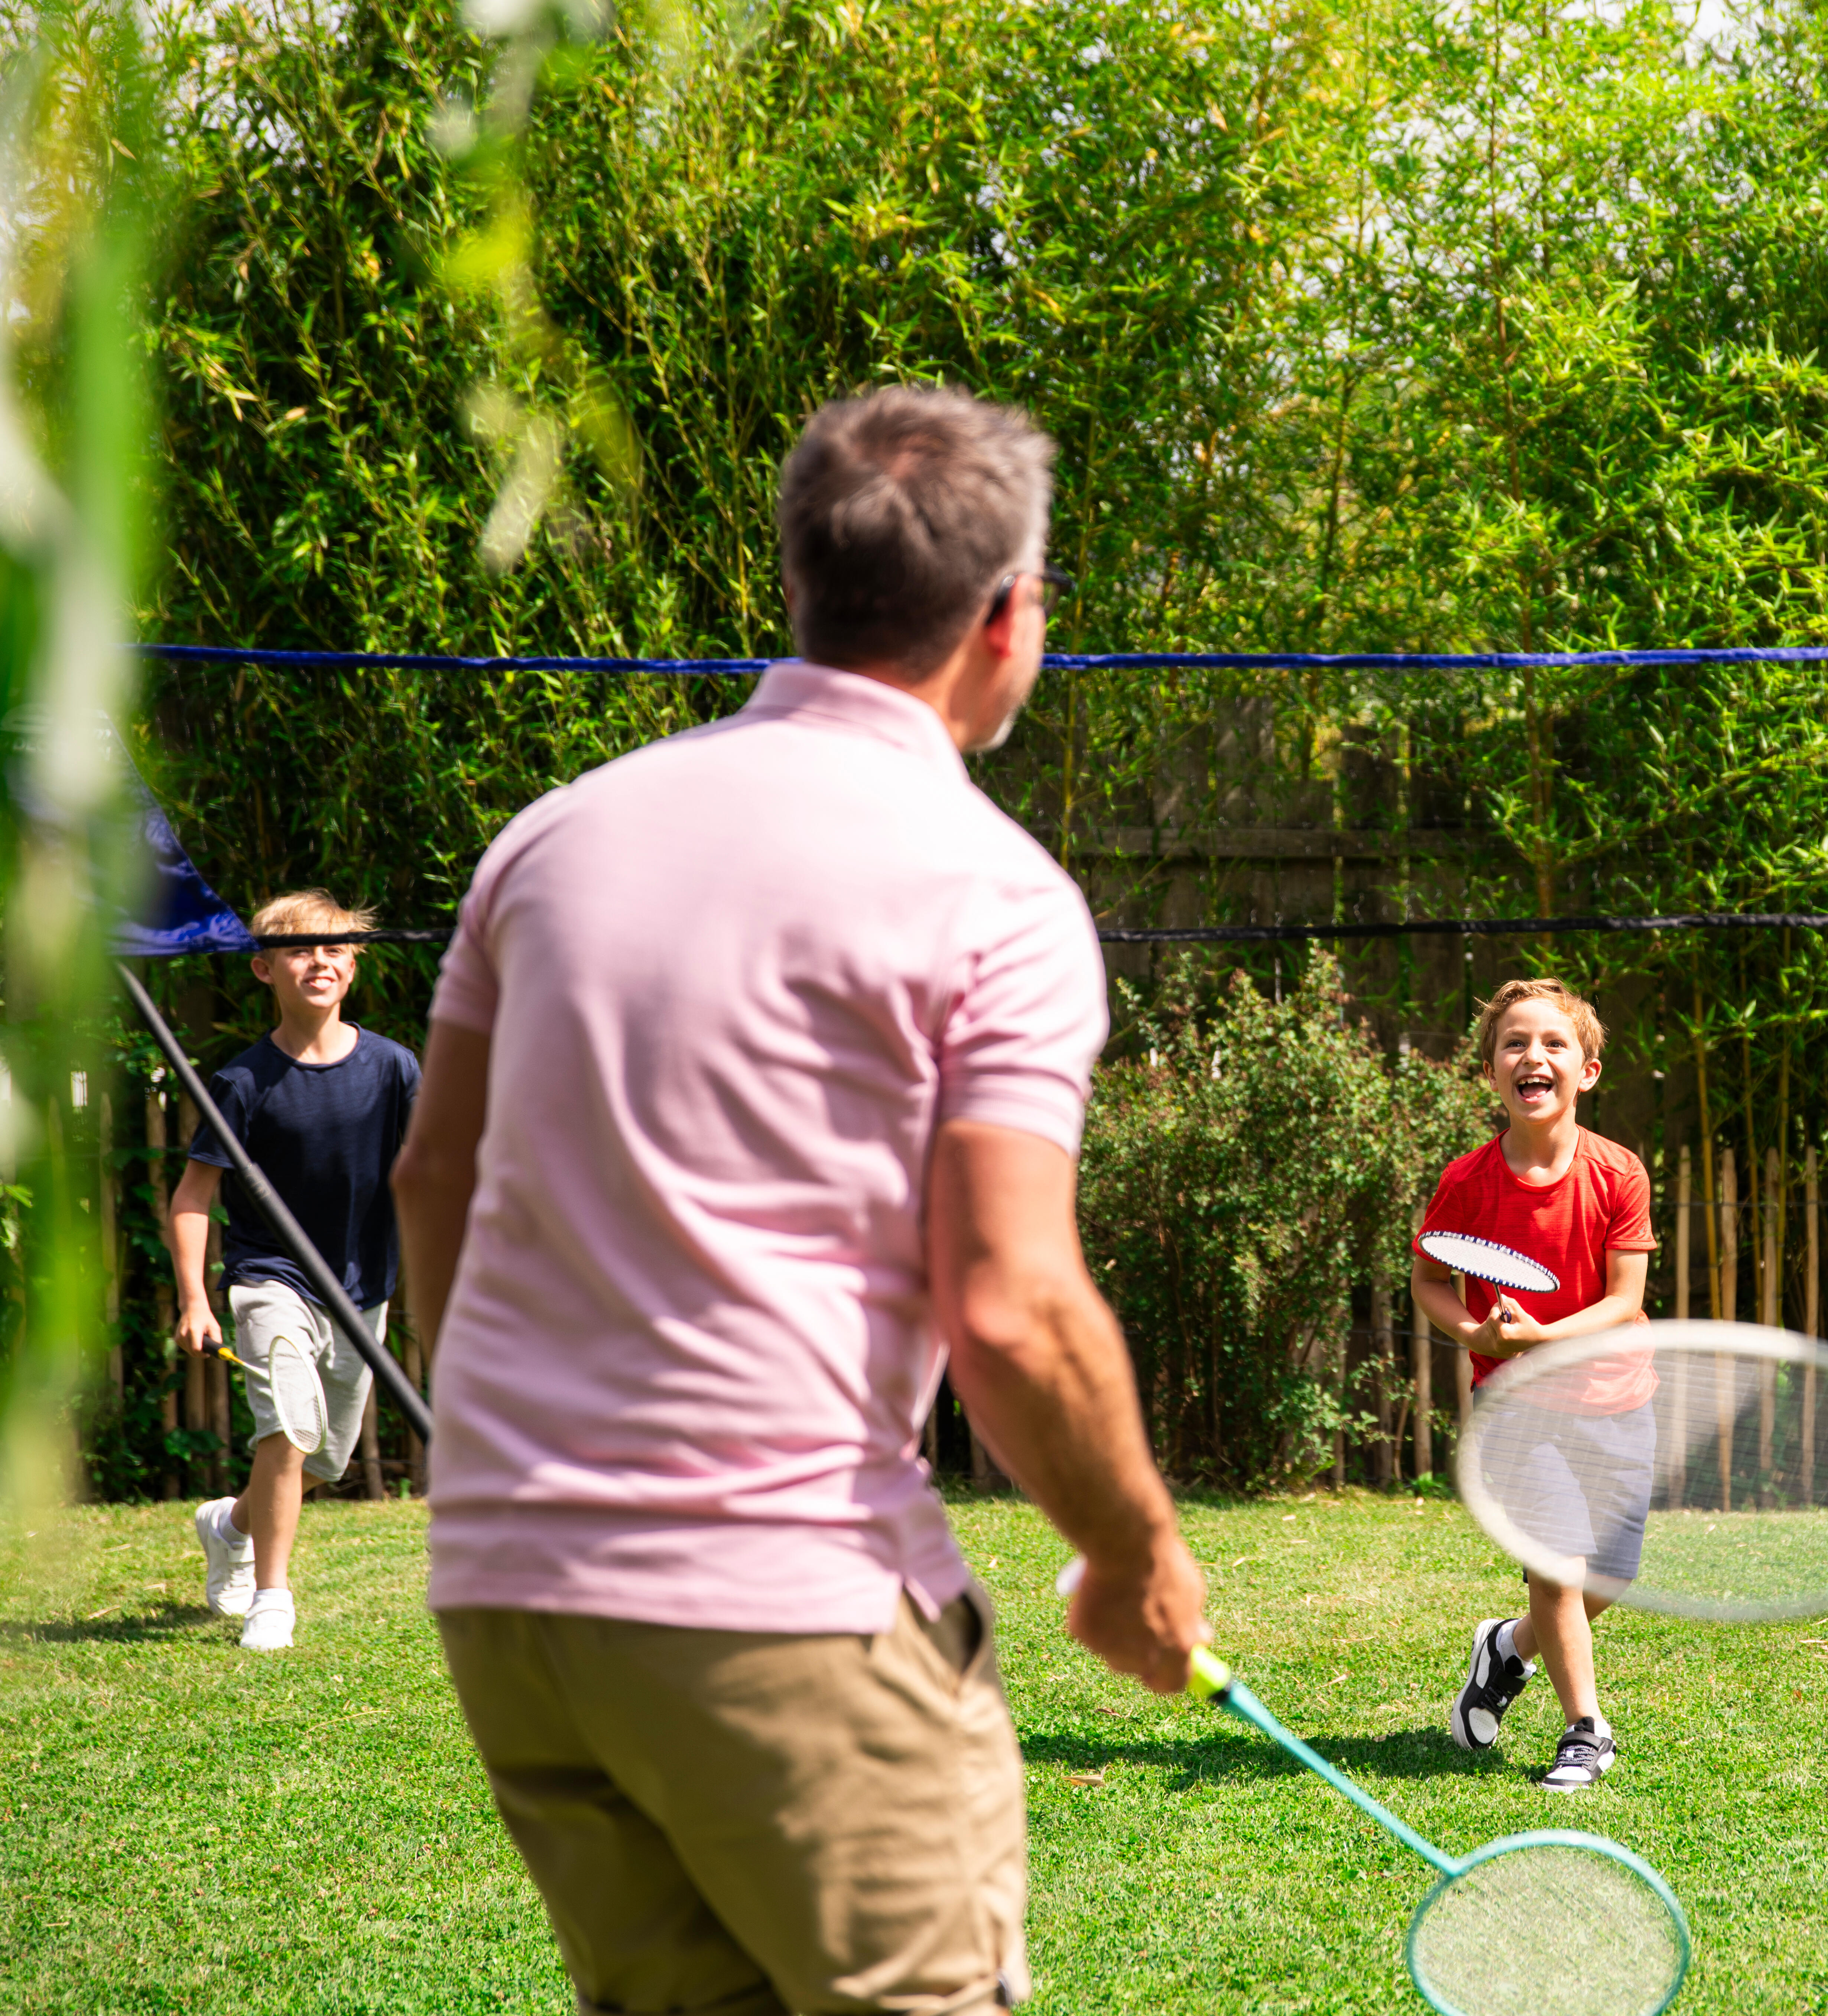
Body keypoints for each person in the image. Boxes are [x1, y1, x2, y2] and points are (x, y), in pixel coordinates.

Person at [392, 385, 1210, 2016]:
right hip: (785, 1606)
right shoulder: (994, 895)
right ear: (1008, 616)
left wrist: (511, 1465)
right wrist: (1134, 1554)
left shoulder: (551, 840)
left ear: (802, 580)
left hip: (511, 1598)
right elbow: (1013, 1305)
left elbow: (437, 1181)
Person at [1413, 977, 1655, 1792]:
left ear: (1585, 1070)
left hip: (1616, 1399)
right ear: (1492, 1074)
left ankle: (1507, 1647)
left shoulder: (1618, 1175)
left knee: (1605, 1580)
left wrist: (1545, 1336)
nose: (1533, 1056)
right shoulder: (1466, 1183)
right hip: (1517, 1407)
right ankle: (1585, 1729)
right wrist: (1474, 1333)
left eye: (1553, 1043)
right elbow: (1428, 1280)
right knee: (1556, 1564)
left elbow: (1625, 1299)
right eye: (1515, 1043)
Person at [176, 890, 420, 1652]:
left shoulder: (393, 1069)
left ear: (353, 964)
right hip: (271, 1275)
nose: (318, 959)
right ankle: (272, 1598)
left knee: (327, 1455)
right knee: (287, 1428)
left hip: (361, 1285)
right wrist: (194, 1296)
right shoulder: (244, 1083)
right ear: (263, 969)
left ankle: (230, 1522)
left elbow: (428, 1174)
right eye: (298, 948)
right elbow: (193, 1196)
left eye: (334, 947)